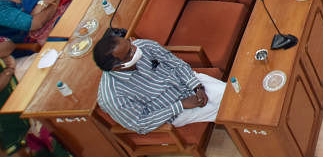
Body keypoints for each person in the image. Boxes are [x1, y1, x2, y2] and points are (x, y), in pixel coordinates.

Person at [95, 32, 226, 134]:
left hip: (188, 82)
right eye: (130, 53)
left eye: (130, 43)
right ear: (116, 67)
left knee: (232, 96)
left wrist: (196, 86)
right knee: (228, 110)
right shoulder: (113, 96)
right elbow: (140, 123)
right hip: (175, 112)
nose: (136, 48)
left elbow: (176, 64)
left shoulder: (144, 46)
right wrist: (180, 105)